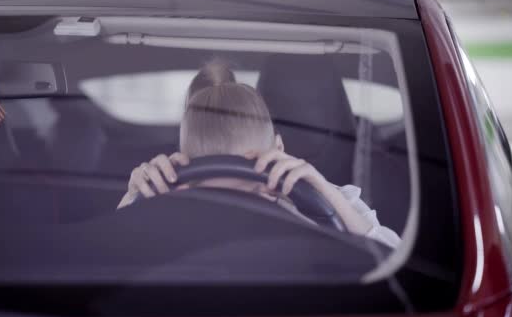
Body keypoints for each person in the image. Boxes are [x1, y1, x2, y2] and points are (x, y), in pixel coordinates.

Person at [117, 60, 400, 248]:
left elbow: (393, 260)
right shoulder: (164, 208)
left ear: (279, 151)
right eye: (217, 194)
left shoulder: (325, 203)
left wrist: (326, 192)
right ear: (184, 170)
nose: (237, 210)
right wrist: (132, 202)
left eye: (252, 188)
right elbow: (106, 262)